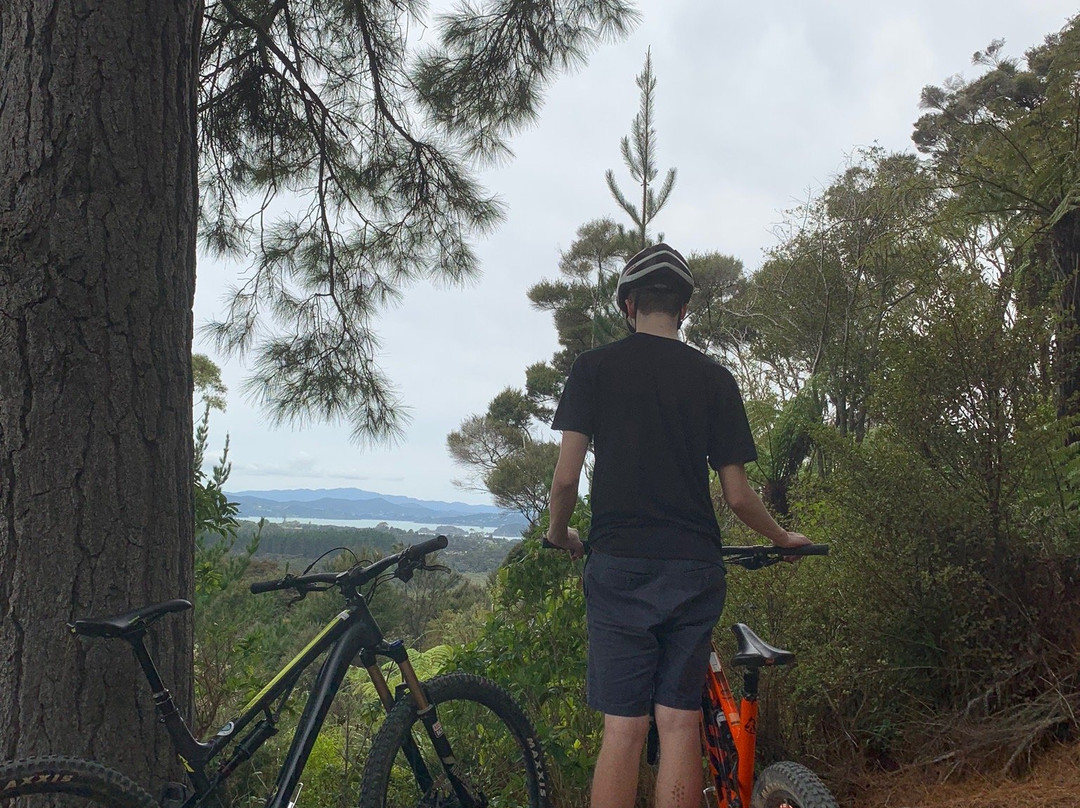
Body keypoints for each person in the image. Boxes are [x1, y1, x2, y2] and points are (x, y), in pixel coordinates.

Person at [545, 242, 810, 808]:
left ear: (628, 304)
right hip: (692, 567)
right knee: (680, 721)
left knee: (625, 727)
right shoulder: (715, 379)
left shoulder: (594, 369)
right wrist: (782, 538)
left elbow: (565, 480)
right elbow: (738, 496)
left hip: (618, 566)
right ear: (684, 309)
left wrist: (559, 533)